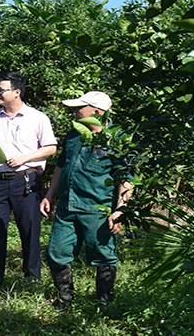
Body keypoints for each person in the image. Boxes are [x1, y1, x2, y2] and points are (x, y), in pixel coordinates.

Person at [40, 91, 133, 310]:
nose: (74, 111)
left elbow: (126, 179)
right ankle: (65, 300)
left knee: (103, 255)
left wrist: (120, 210)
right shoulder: (74, 134)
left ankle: (104, 303)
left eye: (79, 108)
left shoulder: (117, 139)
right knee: (57, 253)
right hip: (66, 206)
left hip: (97, 209)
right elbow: (61, 167)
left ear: (97, 112)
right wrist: (49, 196)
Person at [0, 72, 57, 284]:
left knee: (29, 229)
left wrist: (25, 158)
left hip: (26, 179)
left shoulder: (37, 117)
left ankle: (31, 277)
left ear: (17, 92)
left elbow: (50, 148)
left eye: (1, 90)